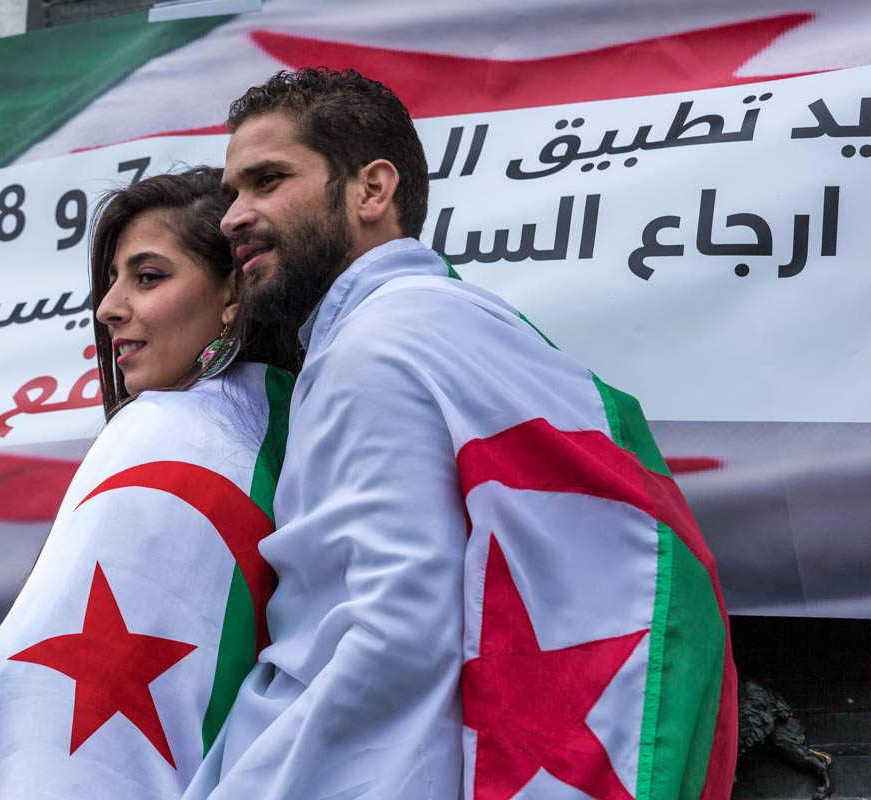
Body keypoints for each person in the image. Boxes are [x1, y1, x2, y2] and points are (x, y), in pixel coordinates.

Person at [185, 69, 737, 800]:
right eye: (231, 193)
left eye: (266, 180)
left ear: (371, 191)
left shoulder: (377, 345)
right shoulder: (439, 321)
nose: (232, 216)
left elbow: (389, 635)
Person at [0, 167, 297, 799]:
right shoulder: (292, 439)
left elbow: (42, 709)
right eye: (112, 280)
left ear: (232, 295)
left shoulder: (160, 431)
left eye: (148, 276)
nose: (109, 308)